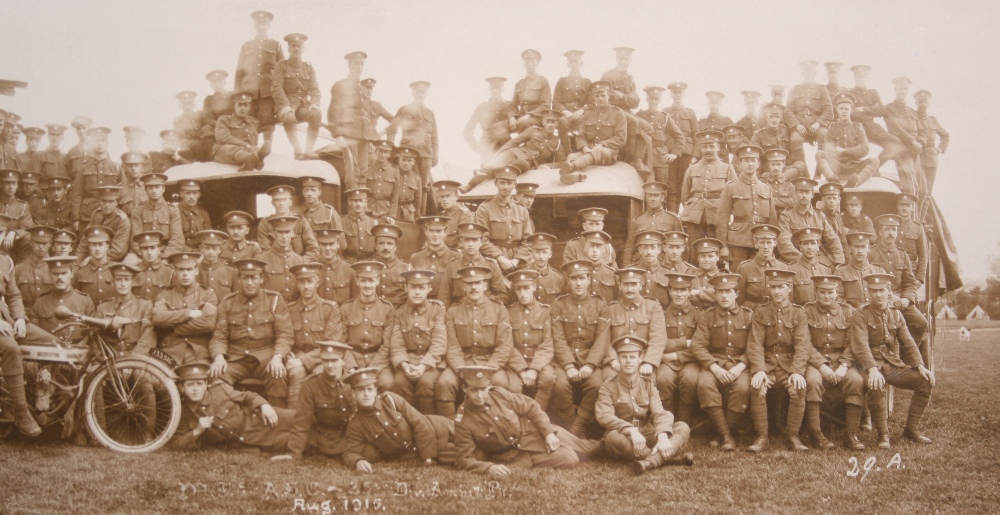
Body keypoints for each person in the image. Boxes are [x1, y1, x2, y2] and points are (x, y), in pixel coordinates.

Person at [453, 365, 597, 476]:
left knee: (588, 449)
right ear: (465, 388)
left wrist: (548, 433)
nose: (479, 395)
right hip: (518, 456)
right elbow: (463, 460)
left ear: (489, 386)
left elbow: (531, 406)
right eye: (474, 390)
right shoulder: (463, 420)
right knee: (570, 459)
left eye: (483, 389)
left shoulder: (499, 394)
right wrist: (489, 468)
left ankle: (608, 445)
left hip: (534, 432)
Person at [850, 273, 935, 448]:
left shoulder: (896, 314)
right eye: (874, 291)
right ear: (869, 292)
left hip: (890, 364)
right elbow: (860, 345)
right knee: (875, 384)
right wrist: (873, 369)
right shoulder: (861, 314)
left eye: (882, 290)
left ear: (889, 291)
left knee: (925, 382)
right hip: (867, 365)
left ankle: (911, 429)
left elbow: (908, 342)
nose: (878, 295)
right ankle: (883, 435)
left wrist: (920, 366)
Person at [596, 336, 693, 475]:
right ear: (618, 360)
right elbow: (604, 415)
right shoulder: (608, 386)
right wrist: (631, 430)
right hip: (624, 436)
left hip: (648, 434)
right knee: (612, 439)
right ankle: (667, 459)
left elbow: (660, 413)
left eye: (632, 357)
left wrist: (663, 437)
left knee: (682, 427)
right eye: (624, 357)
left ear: (640, 359)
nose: (628, 361)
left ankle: (648, 462)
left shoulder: (648, 385)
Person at [209, 258, 293, 407]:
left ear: (261, 279)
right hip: (236, 357)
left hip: (265, 356)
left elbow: (285, 333)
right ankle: (232, 420)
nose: (249, 282)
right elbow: (219, 336)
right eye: (245, 277)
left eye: (254, 277)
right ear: (239, 279)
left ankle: (278, 421)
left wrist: (277, 356)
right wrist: (219, 356)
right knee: (217, 376)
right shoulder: (227, 302)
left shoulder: (274, 300)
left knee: (278, 374)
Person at [436, 265, 517, 417]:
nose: (474, 287)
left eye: (478, 283)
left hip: (490, 362)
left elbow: (504, 346)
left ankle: (496, 424)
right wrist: (461, 370)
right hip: (462, 362)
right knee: (445, 383)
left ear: (485, 285)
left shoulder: (499, 309)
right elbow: (452, 346)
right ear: (463, 286)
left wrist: (489, 369)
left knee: (500, 383)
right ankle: (450, 429)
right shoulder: (453, 311)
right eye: (469, 284)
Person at [342, 367, 456, 472]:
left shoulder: (390, 399)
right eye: (361, 390)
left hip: (435, 428)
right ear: (353, 394)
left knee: (467, 436)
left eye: (369, 389)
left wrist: (428, 458)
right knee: (463, 453)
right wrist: (357, 461)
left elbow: (419, 423)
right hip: (419, 450)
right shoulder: (356, 423)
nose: (366, 394)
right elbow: (350, 452)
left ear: (375, 391)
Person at [746, 269, 811, 452]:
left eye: (781, 287)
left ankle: (793, 436)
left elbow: (802, 345)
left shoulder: (799, 313)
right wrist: (759, 369)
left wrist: (797, 371)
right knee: (757, 386)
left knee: (799, 387)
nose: (776, 291)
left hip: (789, 364)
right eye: (773, 287)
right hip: (767, 363)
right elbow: (755, 343)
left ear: (789, 288)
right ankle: (761, 436)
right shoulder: (760, 312)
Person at [169, 361, 294, 452]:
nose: (195, 389)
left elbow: (248, 396)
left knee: (303, 418)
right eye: (190, 385)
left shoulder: (219, 389)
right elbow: (176, 444)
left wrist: (264, 405)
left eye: (199, 384)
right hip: (250, 440)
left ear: (206, 384)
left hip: (259, 418)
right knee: (301, 440)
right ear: (182, 388)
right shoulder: (182, 411)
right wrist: (197, 431)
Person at [550, 260, 613, 437]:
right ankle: (573, 427)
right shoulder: (559, 305)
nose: (578, 283)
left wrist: (590, 365)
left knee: (597, 385)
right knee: (559, 385)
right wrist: (569, 365)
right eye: (574, 279)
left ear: (589, 279)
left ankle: (578, 426)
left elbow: (602, 340)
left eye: (582, 278)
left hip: (589, 357)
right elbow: (558, 338)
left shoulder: (600, 304)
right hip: (564, 358)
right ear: (568, 281)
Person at [802, 275, 865, 450]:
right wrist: (821, 365)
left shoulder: (847, 311)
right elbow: (804, 343)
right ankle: (816, 433)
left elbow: (853, 343)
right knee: (813, 381)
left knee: (856, 381)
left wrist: (844, 366)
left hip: (841, 360)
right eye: (822, 292)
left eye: (830, 292)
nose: (826, 296)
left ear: (837, 293)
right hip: (815, 361)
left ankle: (851, 434)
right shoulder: (806, 311)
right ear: (816, 293)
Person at [689, 273, 751, 451]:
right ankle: (727, 436)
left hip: (740, 364)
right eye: (720, 292)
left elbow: (754, 346)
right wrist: (714, 368)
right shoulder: (707, 316)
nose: (724, 296)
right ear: (715, 294)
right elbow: (698, 346)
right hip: (715, 363)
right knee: (705, 385)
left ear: (736, 293)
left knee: (742, 389)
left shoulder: (748, 316)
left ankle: (719, 434)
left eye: (728, 291)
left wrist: (740, 367)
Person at [868, 214, 929, 365]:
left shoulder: (902, 255)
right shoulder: (870, 253)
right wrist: (888, 297)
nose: (891, 233)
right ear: (880, 232)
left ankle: (905, 357)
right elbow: (867, 282)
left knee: (920, 323)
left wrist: (906, 299)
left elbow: (910, 282)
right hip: (879, 299)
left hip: (901, 300)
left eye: (894, 229)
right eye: (887, 229)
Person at [279, 341, 355, 461]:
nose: (329, 365)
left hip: (350, 438)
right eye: (325, 360)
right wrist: (294, 453)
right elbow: (302, 422)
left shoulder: (354, 383)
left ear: (343, 361)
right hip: (323, 438)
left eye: (334, 360)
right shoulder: (311, 385)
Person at [285, 263, 344, 411]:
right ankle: (294, 418)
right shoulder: (290, 309)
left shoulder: (330, 308)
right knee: (296, 373)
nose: (306, 286)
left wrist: (302, 361)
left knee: (320, 375)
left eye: (310, 281)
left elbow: (331, 344)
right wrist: (289, 357)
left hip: (323, 358)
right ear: (297, 284)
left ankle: (321, 418)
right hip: (297, 356)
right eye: (302, 282)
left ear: (318, 283)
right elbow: (284, 336)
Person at [387, 269, 447, 414]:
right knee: (400, 383)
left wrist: (424, 365)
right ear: (406, 288)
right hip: (408, 360)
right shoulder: (400, 312)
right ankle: (405, 425)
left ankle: (428, 424)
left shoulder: (437, 310)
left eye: (422, 288)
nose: (417, 292)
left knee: (426, 384)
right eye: (413, 287)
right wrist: (404, 364)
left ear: (429, 289)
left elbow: (439, 342)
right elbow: (397, 343)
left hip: (432, 362)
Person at [152, 251, 218, 366]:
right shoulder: (165, 295)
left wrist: (174, 328)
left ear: (196, 271)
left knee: (197, 380)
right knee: (150, 380)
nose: (185, 274)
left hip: (198, 353)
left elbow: (208, 323)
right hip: (170, 352)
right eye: (181, 270)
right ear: (175, 271)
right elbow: (157, 317)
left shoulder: (208, 295)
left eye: (189, 269)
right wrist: (188, 313)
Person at [716, 145, 777, 267]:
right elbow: (722, 217)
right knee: (738, 276)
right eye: (746, 160)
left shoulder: (766, 187)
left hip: (762, 241)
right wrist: (723, 246)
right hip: (738, 241)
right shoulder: (731, 187)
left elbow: (772, 218)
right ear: (740, 164)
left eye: (753, 160)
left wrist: (771, 243)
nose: (750, 164)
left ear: (758, 164)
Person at [608, 267, 666, 394]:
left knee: (649, 385)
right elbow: (605, 339)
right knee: (609, 383)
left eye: (634, 284)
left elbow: (658, 338)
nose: (629, 289)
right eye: (626, 284)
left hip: (643, 359)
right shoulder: (611, 309)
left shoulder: (653, 306)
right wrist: (612, 359)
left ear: (641, 285)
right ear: (619, 285)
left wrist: (649, 362)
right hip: (618, 361)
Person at [386, 81, 438, 217]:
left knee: (424, 187)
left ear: (426, 94)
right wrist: (391, 149)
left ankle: (420, 216)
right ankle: (401, 214)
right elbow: (392, 129)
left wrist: (435, 156)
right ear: (413, 93)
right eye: (418, 92)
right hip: (408, 153)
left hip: (426, 154)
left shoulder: (430, 113)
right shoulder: (404, 109)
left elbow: (435, 136)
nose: (420, 94)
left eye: (423, 92)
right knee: (406, 182)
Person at [506, 269, 556, 411]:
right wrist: (522, 370)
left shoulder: (545, 311)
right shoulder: (508, 312)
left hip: (540, 361)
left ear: (534, 287)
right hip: (516, 362)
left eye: (526, 288)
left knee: (547, 378)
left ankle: (537, 417)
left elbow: (547, 344)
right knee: (513, 386)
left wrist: (534, 369)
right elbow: (507, 344)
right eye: (518, 289)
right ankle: (518, 420)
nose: (522, 293)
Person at [560, 81, 627, 185]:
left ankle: (572, 167)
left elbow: (621, 138)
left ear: (609, 96)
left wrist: (601, 145)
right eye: (597, 96)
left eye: (603, 95)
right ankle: (578, 174)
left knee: (598, 151)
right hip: (588, 150)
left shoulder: (618, 114)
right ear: (594, 98)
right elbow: (580, 136)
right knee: (572, 157)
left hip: (608, 152)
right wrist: (585, 148)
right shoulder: (588, 114)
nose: (599, 98)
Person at [234, 10, 283, 150]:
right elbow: (239, 71)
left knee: (267, 119)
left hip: (268, 88)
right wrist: (237, 93)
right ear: (254, 26)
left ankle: (267, 148)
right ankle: (251, 148)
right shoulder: (246, 46)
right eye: (258, 24)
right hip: (248, 88)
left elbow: (282, 70)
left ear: (268, 26)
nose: (261, 26)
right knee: (249, 119)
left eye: (264, 24)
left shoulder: (276, 45)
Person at [657, 272, 702, 423]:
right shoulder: (661, 315)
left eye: (683, 290)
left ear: (689, 292)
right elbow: (660, 342)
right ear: (669, 291)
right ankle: (667, 421)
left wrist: (675, 355)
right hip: (666, 363)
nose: (679, 294)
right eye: (675, 290)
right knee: (663, 380)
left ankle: (683, 422)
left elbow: (700, 345)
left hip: (690, 361)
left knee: (690, 380)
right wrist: (685, 342)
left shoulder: (699, 315)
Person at [327, 51, 378, 184]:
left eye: (361, 64)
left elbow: (366, 115)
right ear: (349, 65)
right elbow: (334, 111)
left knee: (363, 172)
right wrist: (338, 134)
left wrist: (371, 139)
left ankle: (361, 203)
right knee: (353, 172)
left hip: (364, 136)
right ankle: (352, 203)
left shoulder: (362, 89)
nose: (359, 66)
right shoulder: (340, 85)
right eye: (356, 63)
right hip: (349, 134)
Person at [340, 261, 394, 384]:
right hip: (353, 360)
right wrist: (351, 366)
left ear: (377, 281)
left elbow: (387, 346)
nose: (367, 285)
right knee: (344, 384)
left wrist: (373, 368)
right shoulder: (346, 308)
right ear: (357, 281)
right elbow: (342, 342)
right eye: (363, 280)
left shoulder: (388, 309)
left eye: (371, 280)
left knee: (386, 383)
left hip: (378, 361)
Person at [679, 130, 736, 243]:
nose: (708, 150)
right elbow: (685, 195)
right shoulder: (692, 168)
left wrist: (726, 214)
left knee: (715, 247)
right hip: (694, 214)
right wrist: (690, 208)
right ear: (701, 148)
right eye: (705, 146)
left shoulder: (727, 168)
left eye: (712, 146)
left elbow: (734, 193)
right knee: (694, 248)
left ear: (718, 147)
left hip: (717, 214)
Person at [272, 33, 322, 159]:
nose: (296, 49)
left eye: (299, 46)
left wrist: (315, 104)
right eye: (293, 46)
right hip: (286, 105)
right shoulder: (281, 66)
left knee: (316, 114)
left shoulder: (308, 68)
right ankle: (297, 150)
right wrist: (285, 105)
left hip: (302, 106)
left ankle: (308, 150)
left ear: (303, 48)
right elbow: (276, 88)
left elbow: (315, 89)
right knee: (289, 118)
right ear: (288, 48)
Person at [473, 169, 533, 273]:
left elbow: (528, 240)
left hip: (519, 262)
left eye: (509, 183)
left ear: (515, 185)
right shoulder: (485, 208)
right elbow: (481, 239)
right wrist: (500, 259)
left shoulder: (522, 210)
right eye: (502, 182)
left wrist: (516, 261)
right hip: (493, 261)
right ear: (496, 183)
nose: (506, 186)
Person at [816, 93, 879, 188]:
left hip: (854, 166)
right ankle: (832, 180)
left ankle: (855, 183)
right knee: (819, 154)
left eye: (846, 109)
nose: (844, 112)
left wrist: (844, 151)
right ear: (837, 110)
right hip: (837, 166)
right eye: (841, 109)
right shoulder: (832, 128)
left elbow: (865, 150)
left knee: (875, 161)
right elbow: (827, 150)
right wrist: (856, 150)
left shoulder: (858, 127)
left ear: (851, 111)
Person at [777, 178, 845, 266]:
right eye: (801, 192)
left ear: (812, 194)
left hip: (819, 259)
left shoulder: (819, 215)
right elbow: (784, 243)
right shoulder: (787, 215)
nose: (804, 196)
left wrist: (839, 261)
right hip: (796, 259)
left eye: (807, 192)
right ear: (795, 194)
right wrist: (804, 260)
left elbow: (833, 240)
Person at [489, 49, 551, 145]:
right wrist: (512, 118)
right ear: (524, 65)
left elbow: (545, 105)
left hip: (536, 118)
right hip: (520, 117)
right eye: (527, 62)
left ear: (537, 64)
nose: (530, 64)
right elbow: (512, 106)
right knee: (497, 127)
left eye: (532, 61)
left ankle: (522, 149)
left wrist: (529, 115)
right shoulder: (519, 83)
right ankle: (512, 146)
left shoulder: (543, 81)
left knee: (523, 124)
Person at [30, 256, 95, 343]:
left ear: (72, 273)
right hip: (47, 352)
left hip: (77, 353)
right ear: (49, 274)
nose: (59, 277)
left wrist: (76, 349)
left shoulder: (85, 301)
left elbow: (91, 332)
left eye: (64, 273)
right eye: (55, 274)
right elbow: (35, 333)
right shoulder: (40, 302)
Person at [96, 263, 155, 356]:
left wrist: (131, 362)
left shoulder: (144, 305)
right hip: (111, 360)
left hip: (137, 360)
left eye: (127, 279)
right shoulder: (103, 308)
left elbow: (147, 339)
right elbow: (97, 340)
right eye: (119, 280)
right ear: (112, 282)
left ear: (133, 282)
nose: (123, 284)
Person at [69, 127, 122, 229]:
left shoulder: (116, 167)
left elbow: (123, 192)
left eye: (103, 141)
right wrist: (76, 218)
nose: (99, 144)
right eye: (96, 141)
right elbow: (76, 193)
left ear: (107, 143)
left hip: (111, 216)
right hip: (88, 215)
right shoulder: (85, 168)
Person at [623, 182, 683, 266]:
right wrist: (627, 268)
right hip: (641, 264)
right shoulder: (637, 220)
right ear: (646, 198)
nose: (653, 199)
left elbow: (682, 248)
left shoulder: (673, 219)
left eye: (656, 195)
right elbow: (629, 247)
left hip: (665, 265)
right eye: (650, 195)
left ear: (662, 198)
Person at [662, 82, 699, 213]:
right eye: (675, 93)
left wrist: (694, 156)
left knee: (685, 186)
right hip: (670, 154)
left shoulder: (690, 113)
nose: (677, 95)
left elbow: (696, 136)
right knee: (671, 187)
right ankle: (672, 215)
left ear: (684, 94)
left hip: (686, 155)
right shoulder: (665, 112)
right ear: (671, 94)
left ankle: (686, 217)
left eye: (680, 93)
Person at [637, 86, 685, 185]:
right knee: (642, 185)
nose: (653, 102)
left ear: (660, 100)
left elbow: (679, 137)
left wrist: (674, 153)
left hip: (660, 158)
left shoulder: (665, 118)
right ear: (647, 99)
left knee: (661, 186)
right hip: (643, 156)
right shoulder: (640, 115)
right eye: (651, 98)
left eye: (656, 99)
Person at [734, 224, 789, 310]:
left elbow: (789, 298)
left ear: (775, 243)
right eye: (762, 242)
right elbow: (739, 299)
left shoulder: (784, 267)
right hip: (752, 312)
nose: (765, 247)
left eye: (769, 242)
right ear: (756, 243)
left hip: (776, 312)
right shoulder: (745, 267)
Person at [257, 185, 319, 260]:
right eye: (278, 200)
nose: (281, 203)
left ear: (290, 202)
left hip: (299, 267)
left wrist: (300, 263)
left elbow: (313, 249)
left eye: (284, 199)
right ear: (273, 203)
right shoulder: (265, 223)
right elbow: (265, 250)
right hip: (275, 266)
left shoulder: (300, 221)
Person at [130, 173, 184, 257]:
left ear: (163, 188)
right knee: (128, 265)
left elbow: (177, 239)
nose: (154, 190)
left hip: (166, 252)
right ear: (145, 189)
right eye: (150, 187)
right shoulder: (138, 211)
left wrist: (165, 256)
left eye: (157, 187)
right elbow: (135, 240)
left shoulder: (172, 210)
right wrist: (145, 255)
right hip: (144, 253)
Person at [750, 103, 808, 180]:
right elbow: (754, 157)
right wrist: (756, 178)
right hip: (769, 170)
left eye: (777, 117)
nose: (774, 120)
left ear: (781, 118)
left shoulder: (788, 132)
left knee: (801, 164)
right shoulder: (758, 135)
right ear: (766, 118)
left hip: (787, 170)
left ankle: (783, 178)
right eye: (771, 117)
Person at [410, 216, 460, 303]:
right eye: (431, 231)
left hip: (446, 306)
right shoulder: (416, 257)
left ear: (445, 232)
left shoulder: (455, 257)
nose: (435, 235)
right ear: (426, 232)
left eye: (438, 231)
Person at [213, 91, 267, 171]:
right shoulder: (224, 119)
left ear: (249, 107)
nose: (242, 108)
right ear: (234, 106)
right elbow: (222, 137)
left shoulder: (254, 122)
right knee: (231, 148)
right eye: (240, 105)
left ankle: (254, 159)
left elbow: (268, 124)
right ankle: (252, 159)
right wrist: (244, 145)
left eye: (245, 105)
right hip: (224, 152)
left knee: (255, 149)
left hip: (246, 151)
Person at [463, 77, 512, 162]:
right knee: (486, 172)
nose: (496, 91)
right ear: (489, 89)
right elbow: (467, 130)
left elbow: (518, 126)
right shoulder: (482, 107)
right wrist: (476, 147)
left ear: (503, 89)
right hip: (487, 147)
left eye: (498, 88)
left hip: (504, 145)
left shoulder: (509, 106)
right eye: (493, 88)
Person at [76, 186, 130, 263]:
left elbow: (118, 252)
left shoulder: (122, 220)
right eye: (104, 201)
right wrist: (77, 262)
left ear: (116, 202)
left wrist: (91, 258)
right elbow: (85, 241)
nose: (106, 205)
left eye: (111, 201)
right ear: (99, 201)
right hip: (95, 256)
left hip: (113, 261)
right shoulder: (97, 214)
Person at [787, 60, 834, 149]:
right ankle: (799, 162)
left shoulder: (822, 89)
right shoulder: (795, 89)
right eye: (806, 72)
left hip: (817, 125)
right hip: (800, 125)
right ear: (802, 73)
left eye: (810, 72)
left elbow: (828, 110)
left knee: (825, 136)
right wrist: (797, 125)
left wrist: (818, 123)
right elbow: (788, 111)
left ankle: (823, 161)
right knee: (795, 139)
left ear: (815, 73)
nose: (808, 74)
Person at [835, 231, 886, 310]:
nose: (860, 251)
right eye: (856, 247)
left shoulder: (878, 270)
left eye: (863, 247)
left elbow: (888, 296)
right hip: (852, 315)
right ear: (850, 248)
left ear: (868, 248)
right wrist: (854, 311)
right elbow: (837, 298)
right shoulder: (841, 271)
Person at [552, 50, 591, 149]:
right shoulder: (562, 81)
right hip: (566, 113)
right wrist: (565, 112)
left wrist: (581, 111)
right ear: (568, 64)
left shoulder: (587, 82)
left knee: (584, 123)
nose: (574, 65)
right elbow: (556, 102)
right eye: (571, 62)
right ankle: (566, 153)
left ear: (581, 63)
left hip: (581, 113)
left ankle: (582, 150)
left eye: (576, 62)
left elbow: (592, 103)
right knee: (561, 122)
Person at [913, 90, 949, 193]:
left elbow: (945, 135)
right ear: (916, 103)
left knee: (928, 192)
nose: (923, 104)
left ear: (929, 103)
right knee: (921, 191)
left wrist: (940, 149)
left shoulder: (933, 120)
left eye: (925, 102)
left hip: (932, 159)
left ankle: (924, 210)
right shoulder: (912, 118)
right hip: (917, 157)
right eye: (920, 101)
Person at [788, 228, 834, 306]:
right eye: (805, 243)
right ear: (800, 247)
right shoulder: (791, 269)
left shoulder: (825, 270)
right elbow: (789, 302)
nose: (809, 247)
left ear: (818, 246)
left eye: (813, 243)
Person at [14, 225, 55, 310]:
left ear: (50, 243)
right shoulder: (19, 268)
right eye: (37, 242)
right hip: (26, 314)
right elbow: (13, 296)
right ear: (30, 243)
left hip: (49, 313)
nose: (40, 247)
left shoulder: (56, 268)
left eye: (44, 243)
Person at [72, 226, 116, 306]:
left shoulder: (116, 270)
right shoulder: (81, 273)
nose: (97, 249)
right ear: (89, 247)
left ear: (107, 246)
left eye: (100, 244)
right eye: (94, 245)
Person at [296, 176, 345, 245]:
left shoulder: (330, 212)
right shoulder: (295, 214)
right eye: (306, 190)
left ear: (320, 192)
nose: (309, 193)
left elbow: (341, 242)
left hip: (324, 254)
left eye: (313, 190)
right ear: (303, 192)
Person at [314, 229, 356, 305]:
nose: (328, 248)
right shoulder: (312, 270)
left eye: (331, 244)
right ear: (318, 245)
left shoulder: (350, 270)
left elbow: (355, 301)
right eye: (324, 244)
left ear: (338, 244)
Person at [368, 224, 407, 307]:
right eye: (381, 243)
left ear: (395, 246)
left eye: (389, 244)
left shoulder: (407, 269)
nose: (385, 247)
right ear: (376, 246)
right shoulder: (367, 268)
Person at [0, 169, 35, 260]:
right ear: (1, 184)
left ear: (17, 186)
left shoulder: (22, 205)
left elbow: (28, 228)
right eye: (8, 183)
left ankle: (20, 266)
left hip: (13, 245)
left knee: (28, 238)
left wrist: (14, 233)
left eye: (14, 183)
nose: (11, 187)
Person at [196, 230, 238, 301]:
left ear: (220, 249)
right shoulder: (194, 270)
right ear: (201, 248)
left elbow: (237, 297)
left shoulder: (231, 271)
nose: (211, 252)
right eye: (207, 248)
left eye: (214, 249)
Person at [132, 231, 174, 303]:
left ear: (159, 249)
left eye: (152, 248)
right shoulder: (133, 271)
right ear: (140, 251)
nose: (149, 252)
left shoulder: (170, 271)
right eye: (145, 249)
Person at [431, 180, 473, 250]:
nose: (444, 199)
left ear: (456, 196)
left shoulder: (465, 215)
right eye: (442, 197)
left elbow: (463, 244)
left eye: (448, 196)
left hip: (456, 256)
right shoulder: (441, 215)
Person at [361, 140, 399, 217]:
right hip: (368, 209)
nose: (382, 155)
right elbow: (362, 192)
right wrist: (365, 209)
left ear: (389, 154)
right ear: (376, 151)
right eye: (380, 151)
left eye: (385, 152)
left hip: (385, 211)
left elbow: (395, 197)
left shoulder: (394, 171)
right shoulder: (368, 168)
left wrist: (391, 216)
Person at [895, 193, 927, 284]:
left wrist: (920, 278)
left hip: (910, 273)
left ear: (912, 208)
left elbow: (923, 255)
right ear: (897, 206)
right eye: (902, 205)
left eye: (908, 205)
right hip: (892, 272)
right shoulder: (890, 225)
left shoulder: (918, 228)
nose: (904, 208)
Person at [524, 233, 563, 305]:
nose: (541, 256)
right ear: (532, 253)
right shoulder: (523, 275)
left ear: (550, 254)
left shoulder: (558, 278)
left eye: (544, 252)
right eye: (537, 252)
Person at [200, 70, 233, 155]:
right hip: (216, 127)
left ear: (225, 83)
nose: (218, 85)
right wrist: (220, 124)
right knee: (206, 129)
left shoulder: (232, 96)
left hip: (232, 124)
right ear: (211, 85)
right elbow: (206, 118)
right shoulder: (208, 100)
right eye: (214, 83)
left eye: (220, 82)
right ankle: (211, 157)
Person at [341, 188, 379, 263]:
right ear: (349, 202)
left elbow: (378, 249)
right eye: (355, 201)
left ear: (366, 203)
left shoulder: (374, 223)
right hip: (349, 263)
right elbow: (339, 249)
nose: (358, 204)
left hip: (369, 264)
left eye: (361, 201)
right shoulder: (342, 222)